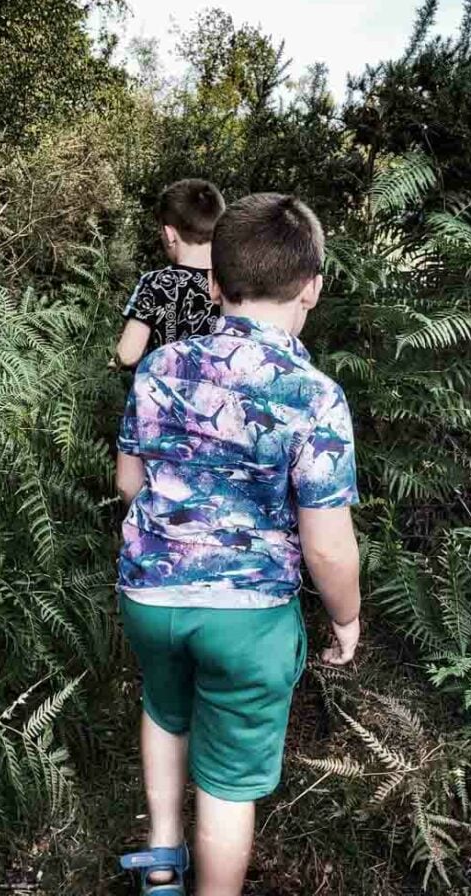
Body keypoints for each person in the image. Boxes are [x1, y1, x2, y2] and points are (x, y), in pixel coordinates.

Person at [115, 193, 362, 896]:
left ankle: (162, 852)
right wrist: (344, 618)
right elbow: (327, 547)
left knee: (164, 707)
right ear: (312, 286)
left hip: (150, 595)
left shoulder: (159, 368)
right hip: (247, 617)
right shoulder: (313, 396)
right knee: (226, 787)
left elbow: (130, 482)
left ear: (215, 284)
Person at [116, 179, 225, 369]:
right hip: (218, 396)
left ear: (169, 234)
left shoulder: (156, 283)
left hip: (162, 394)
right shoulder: (232, 282)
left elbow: (127, 355)